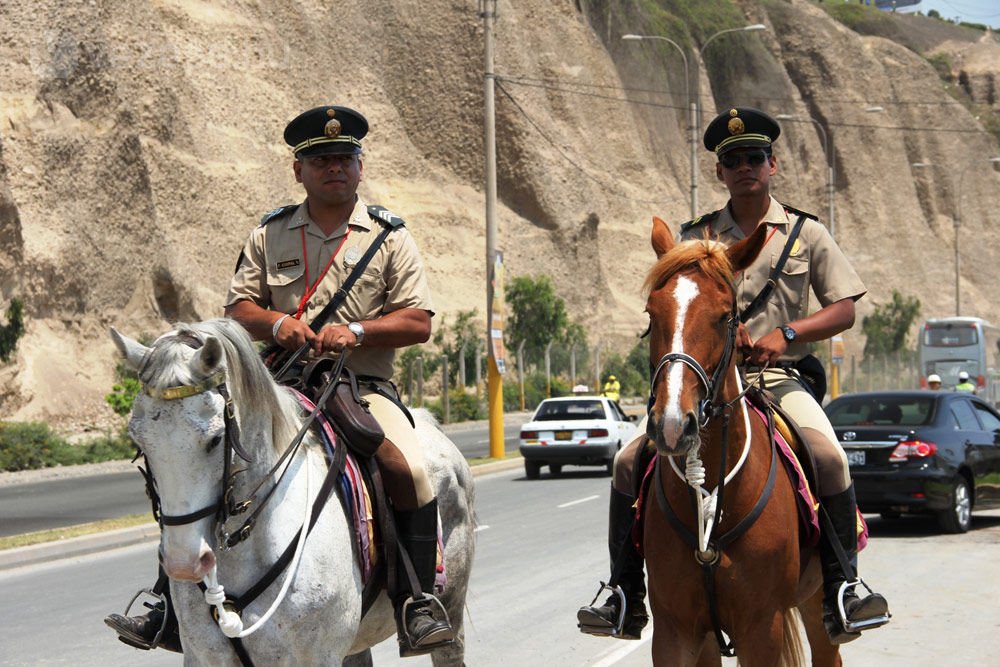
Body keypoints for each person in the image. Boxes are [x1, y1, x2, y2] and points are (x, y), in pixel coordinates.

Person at [106, 104, 454, 657]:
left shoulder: (389, 237)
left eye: (343, 158)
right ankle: (167, 603)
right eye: (320, 160)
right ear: (299, 171)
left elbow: (418, 322)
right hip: (277, 382)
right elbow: (238, 308)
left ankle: (416, 600)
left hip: (360, 387)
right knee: (202, 463)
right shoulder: (269, 234)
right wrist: (279, 322)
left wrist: (358, 330)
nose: (333, 168)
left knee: (406, 467)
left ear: (360, 167)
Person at [578, 107, 889, 645]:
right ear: (720, 172)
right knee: (630, 460)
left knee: (829, 456)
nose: (744, 167)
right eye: (732, 160)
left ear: (772, 164)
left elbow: (844, 308)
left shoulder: (805, 232)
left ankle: (843, 588)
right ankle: (623, 591)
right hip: (705, 381)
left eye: (754, 157)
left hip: (777, 380)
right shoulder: (694, 236)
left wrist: (786, 335)